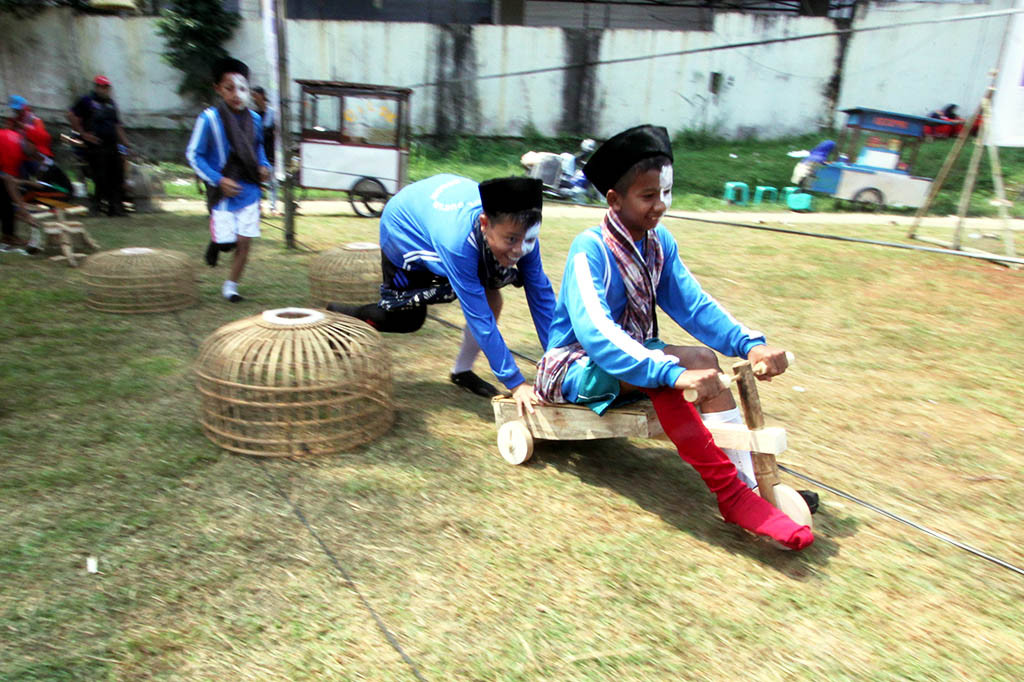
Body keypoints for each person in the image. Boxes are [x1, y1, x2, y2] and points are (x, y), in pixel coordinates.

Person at [534, 124, 813, 550]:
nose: (660, 205)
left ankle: (749, 486)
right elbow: (596, 333)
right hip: (574, 368)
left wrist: (750, 344)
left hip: (638, 359)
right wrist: (667, 370)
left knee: (702, 360)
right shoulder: (589, 249)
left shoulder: (657, 243)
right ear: (614, 199)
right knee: (680, 368)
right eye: (648, 196)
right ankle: (734, 496)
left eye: (666, 192)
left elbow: (694, 305)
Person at [327, 174, 556, 416]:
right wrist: (516, 383)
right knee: (407, 319)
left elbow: (541, 294)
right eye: (511, 239)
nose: (521, 249)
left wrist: (558, 358)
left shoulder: (522, 230)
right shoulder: (456, 242)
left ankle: (461, 372)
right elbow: (478, 315)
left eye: (528, 239)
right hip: (405, 228)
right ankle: (342, 317)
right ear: (485, 223)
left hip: (444, 217)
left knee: (492, 299)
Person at [186, 57, 271, 303]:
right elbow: (194, 154)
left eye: (242, 88)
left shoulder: (255, 120)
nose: (236, 94)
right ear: (218, 89)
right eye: (229, 88)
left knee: (245, 242)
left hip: (250, 191)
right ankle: (217, 242)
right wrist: (218, 179)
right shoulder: (209, 119)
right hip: (223, 193)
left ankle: (231, 287)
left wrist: (264, 166)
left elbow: (259, 150)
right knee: (227, 243)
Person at [68, 76, 132, 216]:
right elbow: (71, 115)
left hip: (112, 144)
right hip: (95, 145)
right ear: (96, 87)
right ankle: (96, 207)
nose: (104, 90)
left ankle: (115, 207)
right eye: (102, 86)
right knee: (100, 176)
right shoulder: (86, 101)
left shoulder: (111, 104)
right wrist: (83, 133)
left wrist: (125, 142)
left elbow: (117, 125)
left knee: (116, 176)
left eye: (106, 87)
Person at [0, 128, 40, 252]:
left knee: (5, 197)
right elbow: (10, 183)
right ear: (30, 142)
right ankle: (8, 236)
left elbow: (8, 180)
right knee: (5, 194)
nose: (36, 154)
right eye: (36, 149)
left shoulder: (17, 139)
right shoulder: (14, 151)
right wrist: (25, 212)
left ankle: (8, 236)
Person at [250, 86, 278, 214]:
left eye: (255, 95)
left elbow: (276, 133)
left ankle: (273, 206)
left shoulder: (272, 114)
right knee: (257, 181)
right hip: (258, 153)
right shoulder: (254, 115)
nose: (253, 98)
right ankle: (258, 205)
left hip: (270, 152)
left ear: (261, 95)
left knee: (272, 182)